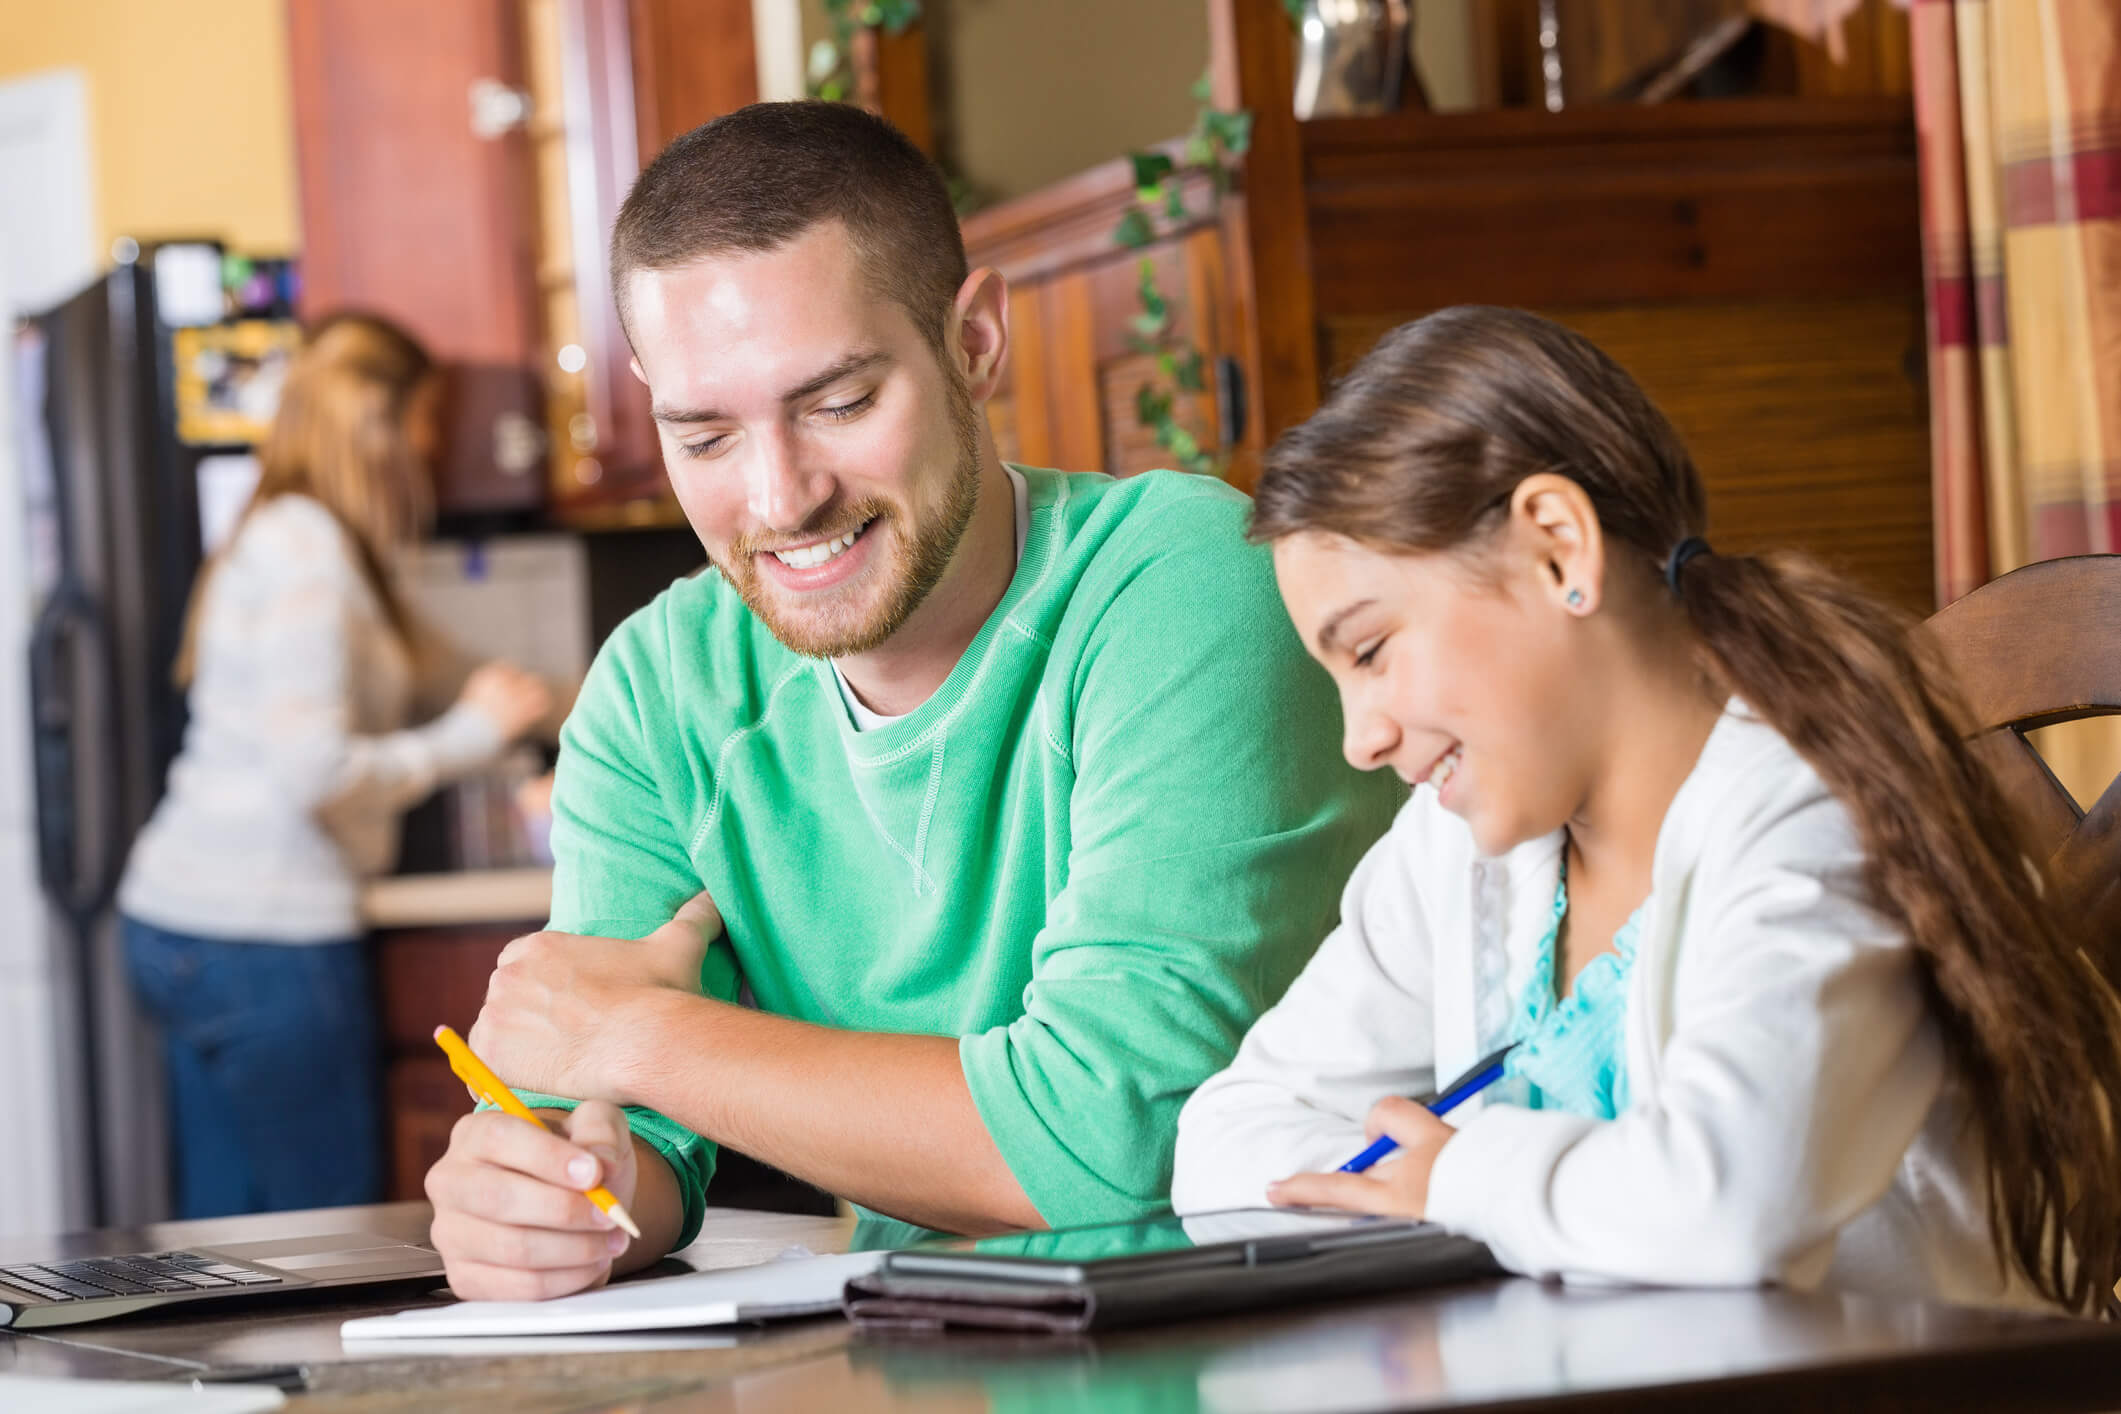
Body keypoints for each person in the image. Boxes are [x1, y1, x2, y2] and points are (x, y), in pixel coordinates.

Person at [421, 101, 1401, 1302]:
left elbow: (1115, 1144)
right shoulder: (658, 690)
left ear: (976, 341)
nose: (780, 497)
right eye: (707, 433)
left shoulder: (1184, 581)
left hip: (1305, 1338)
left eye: (837, 402)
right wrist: (557, 1198)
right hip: (958, 1353)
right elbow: (622, 1141)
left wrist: (637, 1036)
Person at [1171, 306, 2121, 1315]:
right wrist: (1450, 1196)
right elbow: (1228, 1139)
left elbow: (1730, 1202)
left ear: (1557, 548)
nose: (1361, 736)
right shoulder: (1457, 849)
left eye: (1369, 651)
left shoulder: (1818, 811)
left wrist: (1453, 1177)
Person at [118, 313, 553, 1217]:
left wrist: (563, 696)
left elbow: (440, 667)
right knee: (328, 1227)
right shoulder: (309, 552)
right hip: (260, 932)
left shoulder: (302, 539)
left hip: (188, 919)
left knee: (233, 1236)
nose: (433, 444)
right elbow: (311, 770)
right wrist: (472, 735)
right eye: (426, 418)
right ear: (377, 422)